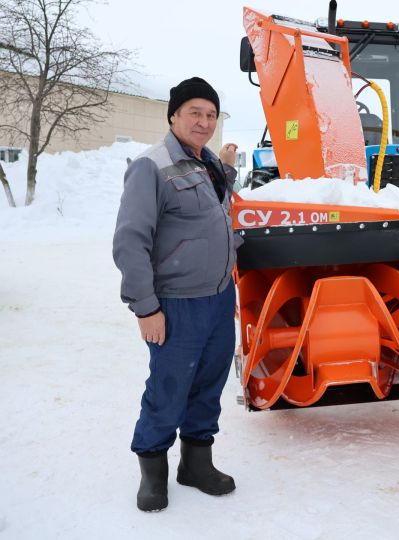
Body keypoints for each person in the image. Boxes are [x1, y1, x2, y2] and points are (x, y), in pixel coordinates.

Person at [113, 77, 242, 512]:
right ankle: (153, 470)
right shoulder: (152, 166)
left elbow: (213, 211)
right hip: (177, 304)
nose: (204, 122)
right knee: (169, 387)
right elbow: (131, 242)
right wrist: (146, 308)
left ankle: (195, 464)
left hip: (220, 297)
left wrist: (227, 167)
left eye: (211, 115)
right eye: (195, 113)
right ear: (173, 115)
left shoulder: (207, 164)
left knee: (209, 385)